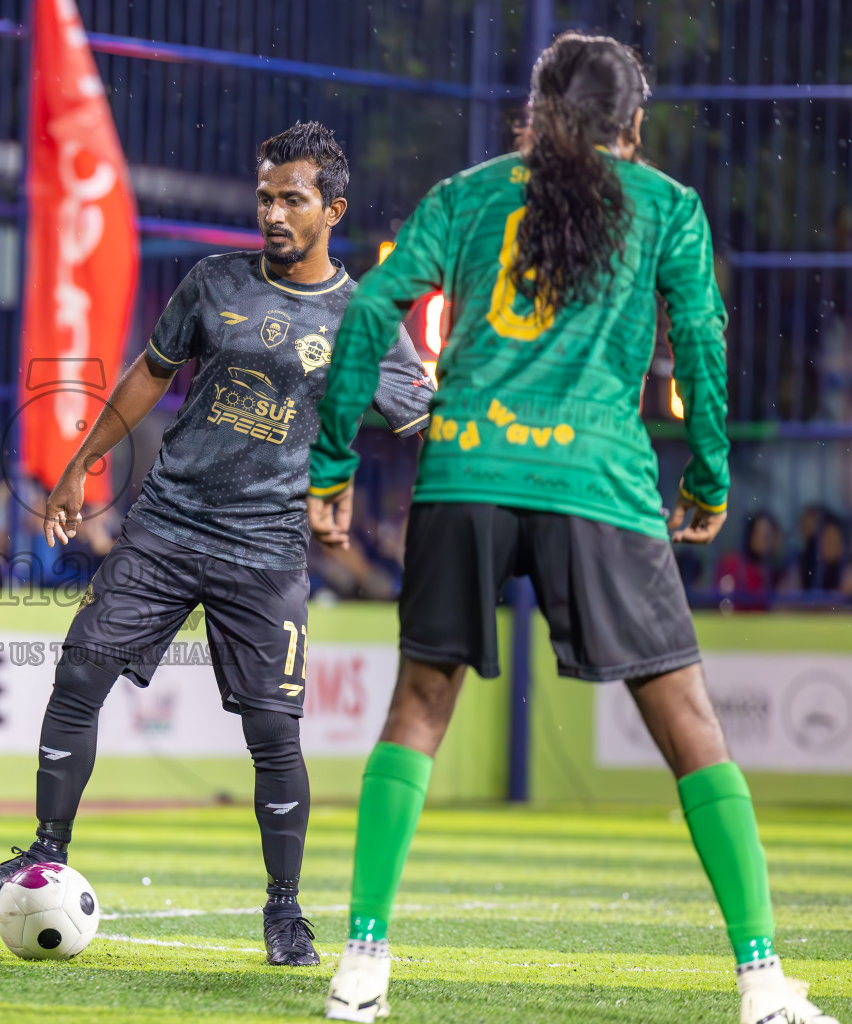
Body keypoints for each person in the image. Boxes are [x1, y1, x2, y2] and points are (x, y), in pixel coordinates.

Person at [308, 34, 837, 1024]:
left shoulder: (470, 193)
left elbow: (375, 304)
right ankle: (763, 984)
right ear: (632, 125)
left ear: (537, 113)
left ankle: (363, 967)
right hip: (598, 478)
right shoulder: (669, 208)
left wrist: (333, 459)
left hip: (465, 468)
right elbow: (702, 347)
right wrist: (710, 478)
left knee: (419, 706)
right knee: (688, 723)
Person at [0, 121, 434, 968]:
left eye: (292, 199)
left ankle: (285, 911)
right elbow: (149, 372)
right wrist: (83, 463)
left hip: (267, 548)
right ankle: (43, 848)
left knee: (273, 733)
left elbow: (419, 416)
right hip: (168, 523)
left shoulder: (363, 314)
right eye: (265, 197)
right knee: (79, 671)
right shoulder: (213, 281)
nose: (274, 213)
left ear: (333, 208)